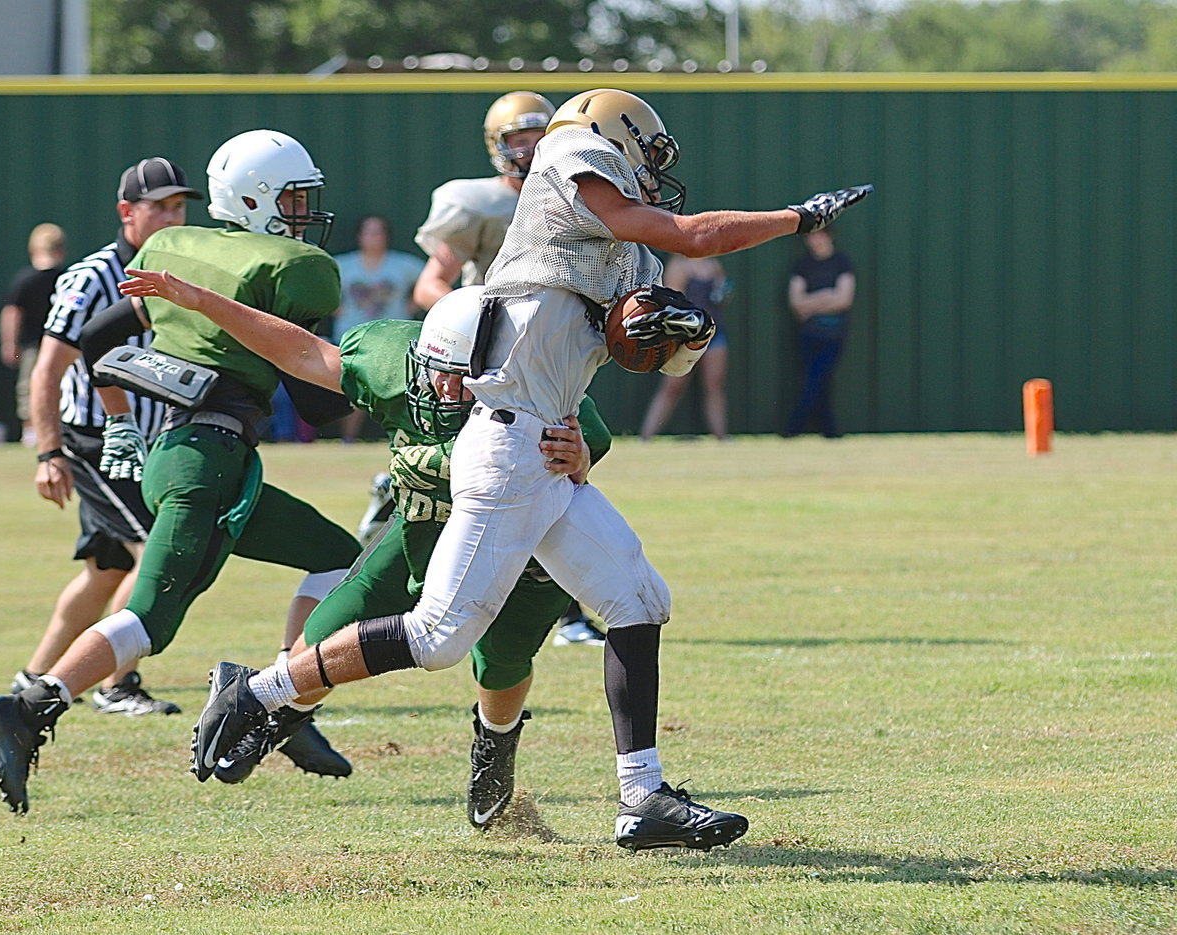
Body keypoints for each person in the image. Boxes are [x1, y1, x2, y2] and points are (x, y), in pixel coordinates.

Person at [190, 88, 871, 851]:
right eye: (645, 151)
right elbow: (691, 233)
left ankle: (642, 798)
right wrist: (798, 219)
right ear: (610, 138)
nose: (652, 170)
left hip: (547, 445)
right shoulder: (563, 162)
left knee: (639, 597)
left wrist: (668, 336)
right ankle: (259, 690)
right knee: (440, 635)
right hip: (507, 445)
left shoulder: (623, 252)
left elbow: (644, 342)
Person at [108, 279, 607, 829]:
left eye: (463, 379)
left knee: (501, 663)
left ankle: (495, 748)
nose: (444, 388)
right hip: (421, 525)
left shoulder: (539, 388)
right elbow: (302, 351)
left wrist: (578, 454)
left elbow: (587, 453)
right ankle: (271, 715)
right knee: (327, 628)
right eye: (436, 370)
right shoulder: (390, 358)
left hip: (519, 547)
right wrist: (205, 302)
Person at [0, 130, 362, 815]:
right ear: (256, 199)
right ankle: (34, 702)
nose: (308, 212)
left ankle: (282, 705)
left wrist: (122, 418)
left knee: (338, 557)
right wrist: (369, 372)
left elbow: (98, 340)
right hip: (206, 463)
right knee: (150, 614)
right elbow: (315, 403)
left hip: (182, 454)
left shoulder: (179, 249)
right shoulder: (291, 268)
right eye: (296, 197)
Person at [406, 89, 604, 649]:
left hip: (546, 362)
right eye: (519, 139)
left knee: (575, 456)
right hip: (484, 367)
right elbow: (430, 284)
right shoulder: (479, 204)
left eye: (541, 136)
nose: (532, 149)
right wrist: (469, 330)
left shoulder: (576, 199)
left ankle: (560, 607)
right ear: (498, 147)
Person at [18, 160, 195, 717]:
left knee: (107, 570)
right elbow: (47, 369)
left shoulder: (175, 273)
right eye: (158, 207)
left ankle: (33, 678)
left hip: (149, 438)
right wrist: (49, 452)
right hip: (99, 440)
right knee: (156, 554)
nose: (171, 217)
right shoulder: (91, 278)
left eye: (178, 207)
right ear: (127, 213)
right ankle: (117, 682)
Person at [331, 214, 425, 443]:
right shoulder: (343, 264)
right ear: (359, 236)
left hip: (395, 338)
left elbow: (429, 280)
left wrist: (411, 305)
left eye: (379, 232)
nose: (374, 237)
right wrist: (336, 308)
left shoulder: (403, 264)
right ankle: (348, 439)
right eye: (369, 232)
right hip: (352, 338)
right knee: (355, 389)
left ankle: (406, 438)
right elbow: (319, 287)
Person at [638, 253, 732, 441]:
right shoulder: (678, 266)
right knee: (672, 387)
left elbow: (723, 293)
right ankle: (646, 437)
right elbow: (674, 304)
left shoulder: (713, 264)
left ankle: (722, 437)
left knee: (715, 385)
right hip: (684, 336)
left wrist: (723, 292)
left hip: (714, 332)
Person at [783, 226, 855, 439]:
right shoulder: (802, 266)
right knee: (817, 381)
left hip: (834, 334)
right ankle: (830, 431)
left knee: (816, 379)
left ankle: (794, 427)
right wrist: (828, 296)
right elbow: (796, 303)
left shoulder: (842, 263)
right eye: (811, 236)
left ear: (829, 237)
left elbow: (844, 299)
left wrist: (812, 302)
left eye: (819, 236)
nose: (815, 240)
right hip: (808, 334)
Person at [0, 223, 67, 446]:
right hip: (61, 345)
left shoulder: (24, 280)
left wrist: (10, 344)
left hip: (32, 346)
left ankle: (31, 430)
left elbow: (12, 313)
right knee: (60, 384)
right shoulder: (67, 278)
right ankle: (53, 429)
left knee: (30, 386)